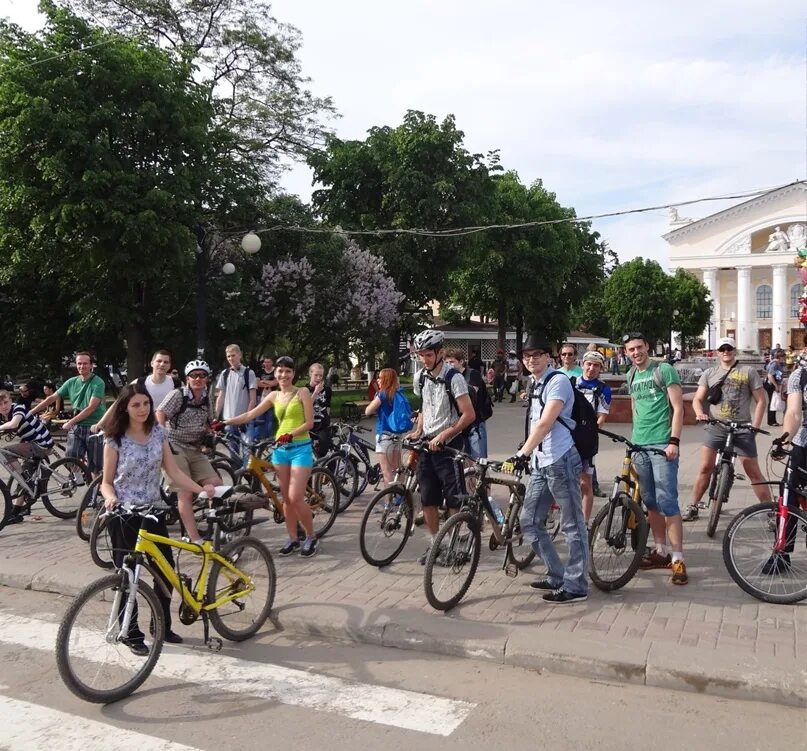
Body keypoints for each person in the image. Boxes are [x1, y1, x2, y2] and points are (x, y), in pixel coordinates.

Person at [101, 383, 216, 652]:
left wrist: (201, 490)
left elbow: (173, 471)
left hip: (153, 511)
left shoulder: (158, 434)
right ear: (125, 408)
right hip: (123, 514)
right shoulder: (114, 439)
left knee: (164, 571)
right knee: (127, 576)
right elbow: (106, 482)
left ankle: (161, 625)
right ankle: (130, 632)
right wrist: (110, 497)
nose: (142, 409)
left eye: (146, 404)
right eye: (135, 405)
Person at [507, 333, 587, 604]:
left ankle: (576, 586)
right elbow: (534, 424)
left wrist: (521, 453)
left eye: (536, 355)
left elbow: (546, 423)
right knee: (529, 521)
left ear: (548, 357)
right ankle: (556, 573)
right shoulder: (536, 382)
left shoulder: (559, 382)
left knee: (572, 525)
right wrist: (528, 452)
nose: (531, 360)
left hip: (561, 460)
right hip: (541, 463)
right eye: (526, 356)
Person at [220, 356, 319, 557]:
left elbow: (309, 423)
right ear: (275, 373)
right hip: (281, 451)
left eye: (288, 371)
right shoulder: (273, 396)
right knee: (286, 500)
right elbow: (250, 414)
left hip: (300, 448)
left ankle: (310, 536)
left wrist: (289, 435)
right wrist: (225, 422)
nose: (284, 375)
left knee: (296, 497)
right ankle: (293, 537)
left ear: (293, 374)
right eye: (280, 371)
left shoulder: (302, 392)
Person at [624, 332, 687, 585]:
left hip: (662, 444)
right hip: (639, 444)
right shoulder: (631, 375)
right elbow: (634, 407)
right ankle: (660, 550)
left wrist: (674, 441)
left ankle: (678, 558)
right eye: (631, 349)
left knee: (667, 500)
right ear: (626, 353)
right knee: (650, 500)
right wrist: (631, 441)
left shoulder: (664, 370)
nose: (636, 352)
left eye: (639, 347)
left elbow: (679, 407)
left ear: (647, 346)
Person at [685, 336, 771, 521]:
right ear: (717, 352)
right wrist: (700, 413)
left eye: (729, 348)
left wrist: (754, 427)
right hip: (717, 426)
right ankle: (693, 506)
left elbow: (761, 400)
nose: (726, 351)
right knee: (705, 467)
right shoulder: (710, 373)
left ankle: (770, 512)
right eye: (722, 348)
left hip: (742, 428)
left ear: (735, 350)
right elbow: (697, 399)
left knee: (753, 472)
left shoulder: (748, 371)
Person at [408, 329, 475, 564]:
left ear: (439, 352)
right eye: (420, 355)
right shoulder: (421, 377)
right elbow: (427, 407)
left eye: (428, 354)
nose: (424, 359)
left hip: (449, 446)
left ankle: (456, 544)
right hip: (428, 444)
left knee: (454, 497)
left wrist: (445, 435)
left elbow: (468, 415)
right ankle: (436, 543)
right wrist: (418, 431)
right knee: (427, 498)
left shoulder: (453, 378)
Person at [155, 360, 221, 544]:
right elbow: (160, 413)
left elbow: (210, 422)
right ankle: (194, 539)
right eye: (194, 375)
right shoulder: (178, 395)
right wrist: (162, 435)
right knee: (185, 493)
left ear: (207, 379)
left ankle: (213, 522)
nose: (198, 379)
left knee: (216, 484)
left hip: (195, 447)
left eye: (202, 375)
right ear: (187, 378)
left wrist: (213, 432)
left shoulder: (207, 398)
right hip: (175, 446)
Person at [30, 352, 105, 477]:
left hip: (94, 426)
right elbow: (51, 398)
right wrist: (30, 413)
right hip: (77, 425)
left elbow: (91, 407)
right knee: (71, 456)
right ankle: (78, 478)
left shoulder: (98, 383)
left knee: (96, 465)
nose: (82, 366)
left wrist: (71, 422)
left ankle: (95, 493)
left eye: (85, 363)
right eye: (79, 363)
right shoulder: (71, 382)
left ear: (91, 365)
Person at [0, 389, 54, 523]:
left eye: (6, 402)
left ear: (11, 401)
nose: (3, 406)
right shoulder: (3, 415)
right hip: (30, 444)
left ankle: (26, 479)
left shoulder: (18, 409)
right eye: (0, 405)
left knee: (6, 452)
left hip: (42, 443)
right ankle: (16, 512)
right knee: (23, 478)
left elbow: (13, 424)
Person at [93, 350, 178, 434]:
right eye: (159, 361)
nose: (162, 364)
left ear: (169, 366)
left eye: (166, 362)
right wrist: (102, 423)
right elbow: (118, 403)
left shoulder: (177, 384)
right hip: (144, 429)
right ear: (152, 363)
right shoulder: (139, 382)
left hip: (169, 432)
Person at [573, 351, 612, 522]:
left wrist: (589, 431)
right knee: (560, 480)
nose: (591, 368)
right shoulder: (570, 383)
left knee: (585, 483)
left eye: (596, 365)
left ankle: (584, 523)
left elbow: (601, 417)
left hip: (587, 441)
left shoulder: (604, 389)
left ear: (601, 369)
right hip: (566, 438)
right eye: (589, 364)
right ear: (583, 364)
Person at [364, 368, 411, 484]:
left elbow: (367, 411)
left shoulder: (382, 394)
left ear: (386, 379)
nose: (377, 380)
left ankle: (388, 500)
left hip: (384, 435)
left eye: (380, 378)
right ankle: (400, 497)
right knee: (397, 469)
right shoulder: (398, 392)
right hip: (397, 435)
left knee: (387, 472)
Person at [444, 348, 491, 459]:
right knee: (463, 458)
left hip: (475, 422)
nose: (449, 365)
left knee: (478, 458)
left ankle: (480, 475)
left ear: (461, 362)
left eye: (452, 362)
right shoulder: (448, 378)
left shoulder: (472, 374)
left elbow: (471, 394)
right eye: (446, 362)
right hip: (459, 423)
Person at [215, 344, 257, 460]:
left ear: (240, 355)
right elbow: (221, 396)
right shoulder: (225, 374)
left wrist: (247, 417)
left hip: (245, 420)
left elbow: (252, 398)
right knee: (233, 454)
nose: (231, 359)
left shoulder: (249, 373)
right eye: (228, 356)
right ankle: (236, 476)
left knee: (248, 452)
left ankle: (249, 476)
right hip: (229, 420)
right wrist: (215, 416)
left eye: (233, 355)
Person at [304, 362, 333, 458]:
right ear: (310, 374)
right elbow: (306, 406)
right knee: (307, 452)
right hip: (309, 424)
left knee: (324, 450)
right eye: (316, 375)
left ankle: (324, 469)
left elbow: (328, 406)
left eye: (321, 375)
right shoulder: (305, 389)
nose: (318, 378)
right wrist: (316, 392)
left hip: (322, 424)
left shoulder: (327, 390)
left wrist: (328, 420)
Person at [255, 355, 279, 442]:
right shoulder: (259, 371)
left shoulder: (275, 371)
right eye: (265, 362)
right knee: (258, 417)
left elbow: (275, 383)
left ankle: (267, 439)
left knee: (269, 418)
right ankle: (257, 438)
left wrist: (264, 381)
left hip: (272, 397)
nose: (267, 364)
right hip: (260, 397)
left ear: (272, 362)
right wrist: (269, 383)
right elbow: (258, 383)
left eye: (268, 362)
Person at [764, 349, 786, 427]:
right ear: (780, 357)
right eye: (783, 357)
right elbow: (770, 375)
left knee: (773, 401)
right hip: (770, 384)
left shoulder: (778, 363)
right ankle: (771, 421)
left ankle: (772, 420)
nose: (784, 359)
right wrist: (776, 385)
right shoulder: (774, 364)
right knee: (772, 402)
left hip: (773, 383)